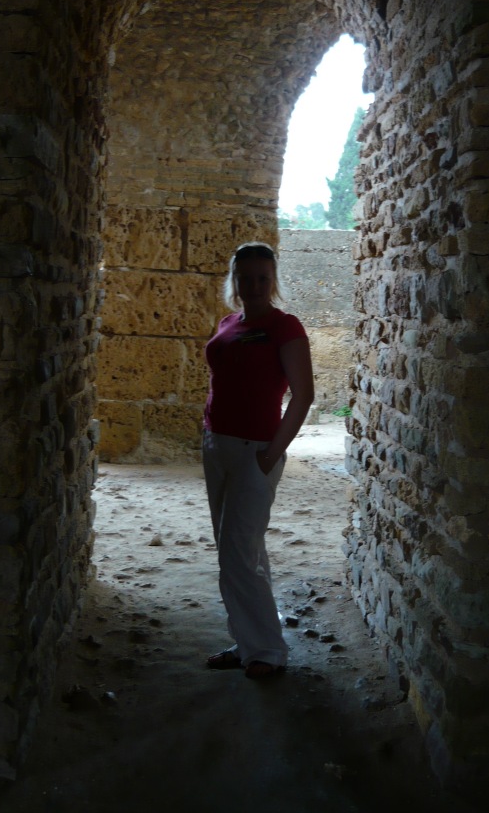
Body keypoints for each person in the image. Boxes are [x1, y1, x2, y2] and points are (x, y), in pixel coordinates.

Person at [202, 241, 314, 680]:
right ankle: (248, 642)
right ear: (235, 280)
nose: (253, 286)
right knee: (241, 550)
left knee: (236, 554)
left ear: (273, 280)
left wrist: (272, 453)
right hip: (217, 445)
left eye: (262, 278)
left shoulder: (284, 327)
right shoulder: (229, 323)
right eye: (245, 278)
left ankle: (268, 651)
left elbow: (303, 396)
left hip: (255, 450)